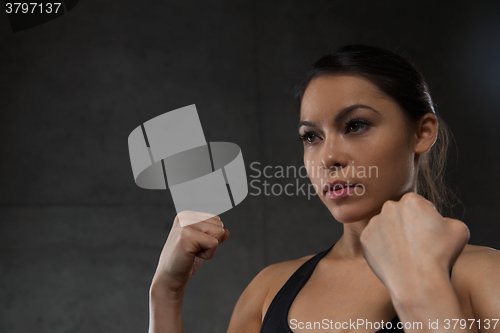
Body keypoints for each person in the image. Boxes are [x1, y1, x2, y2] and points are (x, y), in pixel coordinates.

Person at [147, 45, 500, 333]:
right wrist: (166, 292)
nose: (328, 157)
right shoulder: (269, 290)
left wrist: (422, 288)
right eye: (311, 137)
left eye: (356, 125)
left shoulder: (486, 276)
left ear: (422, 132)